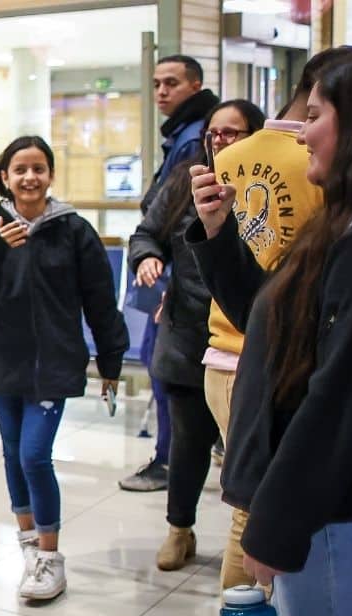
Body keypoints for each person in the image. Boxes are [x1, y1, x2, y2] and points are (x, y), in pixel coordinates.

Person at [188, 48, 352, 616]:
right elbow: (273, 318)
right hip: (333, 511)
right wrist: (220, 236)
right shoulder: (349, 223)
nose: (300, 131)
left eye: (315, 115)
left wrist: (274, 527)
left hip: (343, 517)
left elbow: (341, 397)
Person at [0, 136, 129, 602]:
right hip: (3, 362)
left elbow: (101, 303)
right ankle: (27, 544)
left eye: (38, 168)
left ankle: (50, 556)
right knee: (10, 453)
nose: (29, 177)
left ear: (50, 175)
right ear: (5, 177)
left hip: (53, 365)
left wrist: (110, 360)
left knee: (33, 456)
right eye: (19, 169)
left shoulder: (74, 230)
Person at [127, 99, 266, 571]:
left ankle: (248, 543)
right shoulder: (186, 178)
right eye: (215, 133)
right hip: (188, 335)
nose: (222, 142)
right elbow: (145, 233)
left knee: (246, 453)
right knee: (188, 443)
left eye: (234, 132)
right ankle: (179, 530)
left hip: (249, 339)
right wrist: (148, 257)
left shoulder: (267, 184)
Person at [121, 54, 221, 492]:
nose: (161, 91)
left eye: (172, 83)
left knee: (166, 369)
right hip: (165, 267)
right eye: (157, 83)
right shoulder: (181, 133)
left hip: (182, 280)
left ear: (195, 86)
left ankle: (169, 458)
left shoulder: (194, 140)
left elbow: (170, 212)